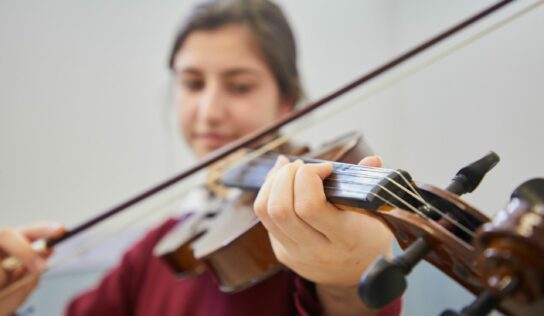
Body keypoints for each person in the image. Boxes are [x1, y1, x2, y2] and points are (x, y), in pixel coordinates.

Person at [0, 0, 400, 315]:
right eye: (192, 83)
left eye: (240, 86)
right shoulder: (161, 247)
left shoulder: (316, 222)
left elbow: (352, 308)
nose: (208, 111)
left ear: (287, 100)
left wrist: (346, 282)